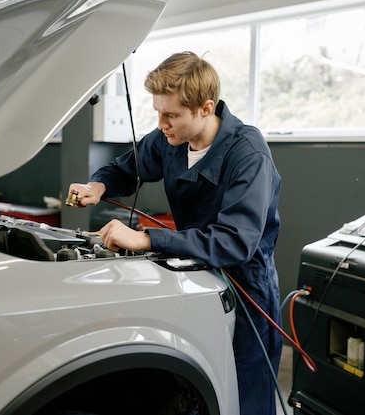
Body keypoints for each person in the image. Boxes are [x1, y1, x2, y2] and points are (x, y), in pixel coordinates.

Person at [68, 51, 282, 415]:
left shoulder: (248, 153)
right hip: (196, 274)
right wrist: (98, 186)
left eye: (171, 115)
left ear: (204, 108)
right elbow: (127, 167)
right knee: (203, 383)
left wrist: (148, 238)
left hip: (246, 287)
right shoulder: (170, 139)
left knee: (247, 392)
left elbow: (235, 241)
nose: (162, 123)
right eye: (157, 112)